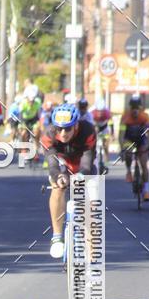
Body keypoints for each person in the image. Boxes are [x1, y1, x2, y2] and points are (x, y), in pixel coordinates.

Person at [40, 103, 96, 258]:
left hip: (83, 163)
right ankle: (57, 237)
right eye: (59, 128)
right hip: (62, 163)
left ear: (76, 125)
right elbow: (52, 165)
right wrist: (59, 177)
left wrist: (80, 176)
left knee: (91, 204)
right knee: (57, 187)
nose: (63, 133)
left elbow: (87, 164)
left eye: (68, 128)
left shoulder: (88, 130)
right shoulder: (48, 134)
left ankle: (92, 256)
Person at [119, 95, 149, 200]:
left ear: (140, 108)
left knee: (144, 165)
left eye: (137, 107)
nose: (135, 110)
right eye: (133, 107)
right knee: (128, 153)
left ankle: (146, 191)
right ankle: (129, 170)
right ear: (130, 108)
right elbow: (121, 135)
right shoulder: (125, 117)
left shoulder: (145, 117)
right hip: (129, 140)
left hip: (141, 140)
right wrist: (122, 148)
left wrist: (148, 145)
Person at [92, 98, 113, 164]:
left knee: (105, 144)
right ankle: (92, 157)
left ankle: (106, 159)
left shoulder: (107, 113)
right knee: (92, 143)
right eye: (98, 111)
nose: (100, 113)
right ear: (96, 109)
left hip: (104, 128)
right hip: (95, 127)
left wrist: (112, 134)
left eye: (102, 111)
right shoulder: (92, 113)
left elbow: (111, 124)